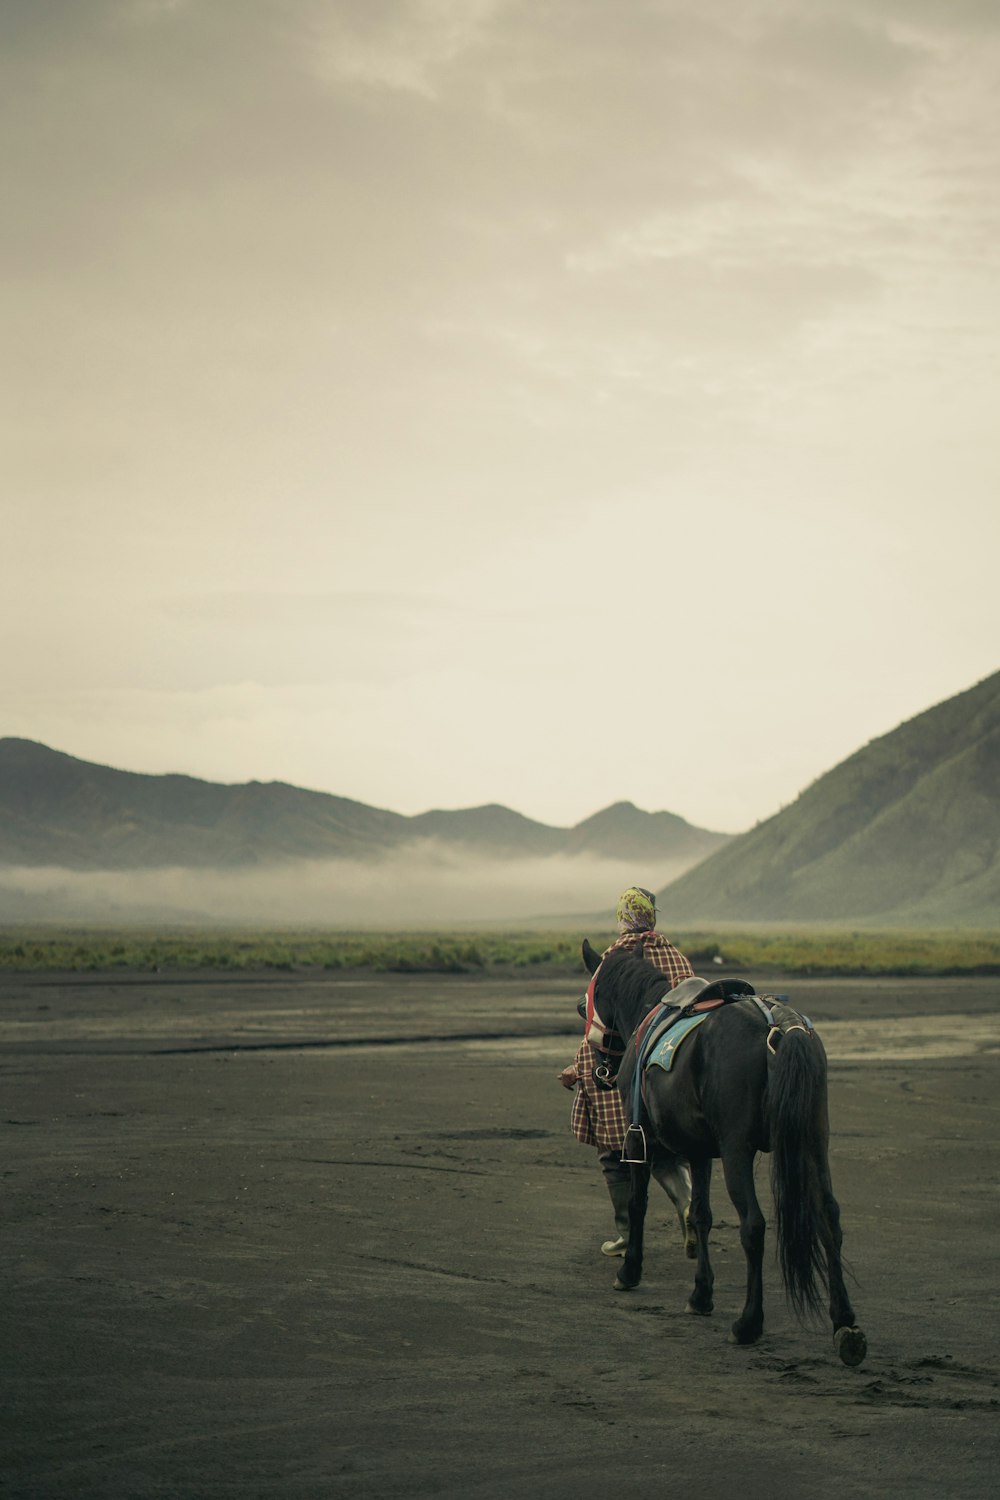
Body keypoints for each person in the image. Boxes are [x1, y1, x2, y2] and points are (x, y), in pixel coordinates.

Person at [558, 885, 694, 1256]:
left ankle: (627, 1235)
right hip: (673, 1071)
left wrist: (578, 1069)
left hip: (624, 1072)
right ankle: (688, 1205)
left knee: (614, 1154)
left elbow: (599, 1031)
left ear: (622, 918)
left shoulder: (610, 961)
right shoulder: (677, 958)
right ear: (652, 915)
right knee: (668, 1153)